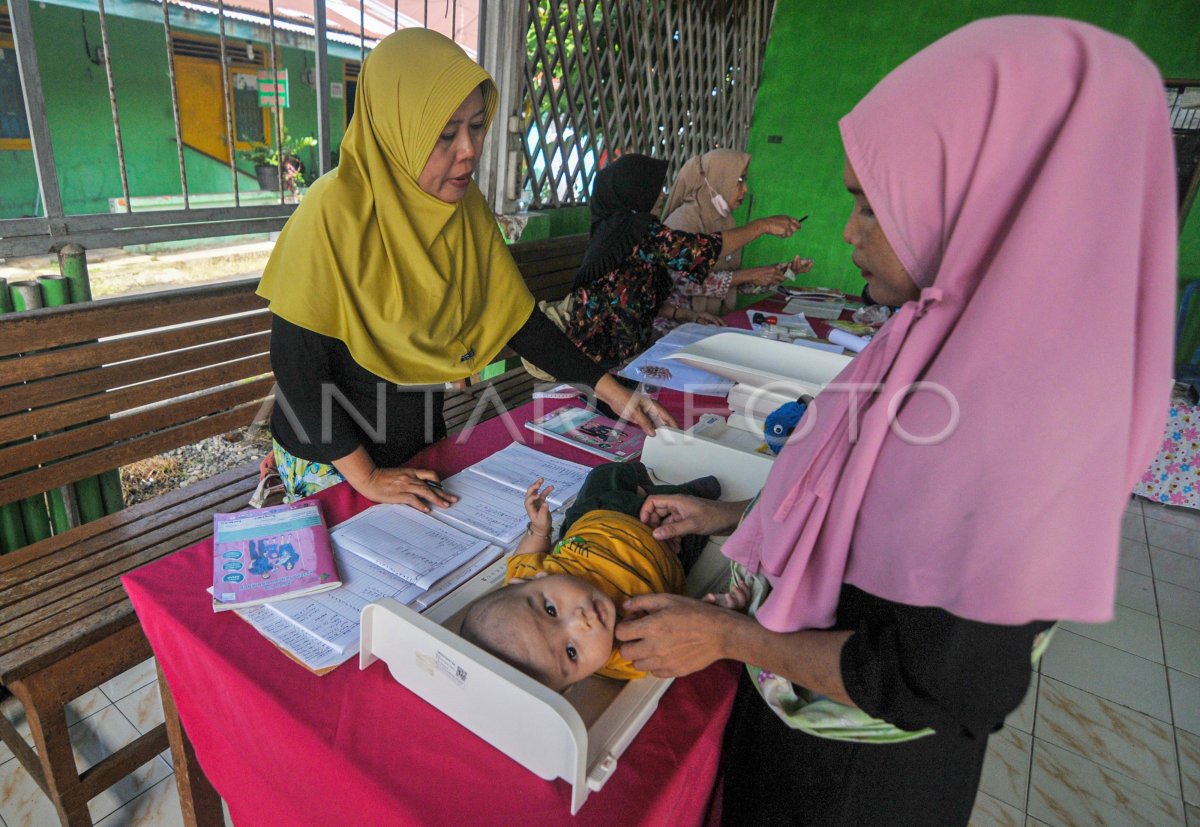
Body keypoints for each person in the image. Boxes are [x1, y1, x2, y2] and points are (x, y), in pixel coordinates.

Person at [613, 17, 1175, 825]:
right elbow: (868, 509)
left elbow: (951, 679)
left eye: (873, 206)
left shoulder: (1027, 419)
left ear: (987, 196)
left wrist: (727, 638)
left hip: (859, 782)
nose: (849, 232)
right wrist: (732, 513)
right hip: (803, 736)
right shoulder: (940, 334)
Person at [256, 29, 672, 507]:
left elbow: (515, 318)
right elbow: (298, 374)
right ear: (396, 132)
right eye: (445, 134)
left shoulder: (461, 207)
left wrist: (610, 390)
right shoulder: (332, 214)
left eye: (476, 126)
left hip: (419, 445)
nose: (469, 150)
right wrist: (368, 477)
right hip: (333, 463)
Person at [459, 464, 748, 691]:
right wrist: (720, 608)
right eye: (572, 652)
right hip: (663, 544)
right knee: (689, 524)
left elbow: (525, 555)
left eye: (551, 610)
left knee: (604, 474)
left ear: (529, 581)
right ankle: (688, 492)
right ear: (573, 684)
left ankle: (636, 478)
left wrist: (538, 530)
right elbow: (685, 629)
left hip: (595, 516)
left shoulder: (525, 575)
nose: (581, 623)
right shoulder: (631, 649)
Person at [561, 153, 804, 368]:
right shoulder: (634, 233)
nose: (663, 193)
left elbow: (633, 299)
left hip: (627, 354)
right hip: (598, 363)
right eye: (654, 187)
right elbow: (697, 253)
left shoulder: (623, 232)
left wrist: (686, 315)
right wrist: (762, 226)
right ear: (635, 191)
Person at [655, 149, 814, 333]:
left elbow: (731, 283)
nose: (745, 188)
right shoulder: (682, 221)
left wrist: (782, 272)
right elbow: (685, 282)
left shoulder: (726, 221)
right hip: (673, 330)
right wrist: (750, 274)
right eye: (739, 181)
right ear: (719, 178)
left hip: (708, 325)